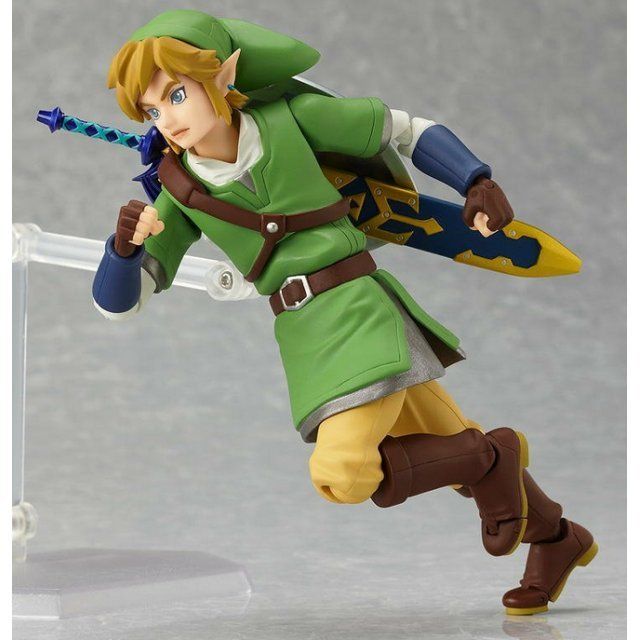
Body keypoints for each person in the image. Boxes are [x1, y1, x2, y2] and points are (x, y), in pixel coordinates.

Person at [92, 10, 597, 615]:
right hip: (302, 334)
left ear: (223, 76)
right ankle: (556, 537)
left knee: (344, 474)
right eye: (152, 110)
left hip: (358, 309)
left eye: (177, 95)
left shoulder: (291, 120)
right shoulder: (177, 194)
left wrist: (474, 179)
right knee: (449, 446)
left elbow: (404, 129)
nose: (169, 120)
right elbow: (123, 304)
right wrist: (123, 252)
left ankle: (493, 455)